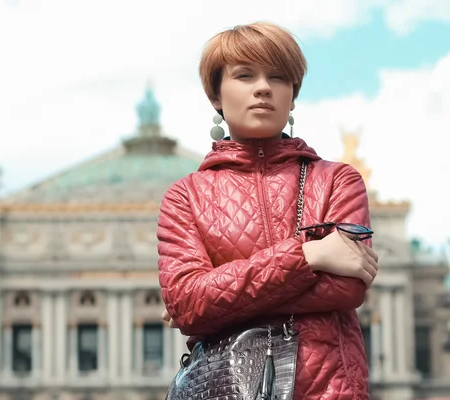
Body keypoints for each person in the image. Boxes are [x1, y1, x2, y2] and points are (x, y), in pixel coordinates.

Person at [157, 22, 378, 400]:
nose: (263, 88)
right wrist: (310, 253)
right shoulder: (185, 196)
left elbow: (347, 286)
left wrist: (217, 300)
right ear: (215, 95)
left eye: (278, 77)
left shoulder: (337, 180)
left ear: (292, 97)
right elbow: (187, 302)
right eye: (244, 75)